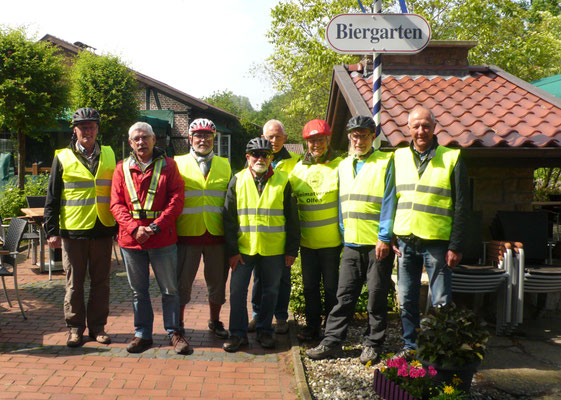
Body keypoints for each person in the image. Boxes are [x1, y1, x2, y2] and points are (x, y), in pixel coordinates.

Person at [306, 115, 396, 365]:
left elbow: (390, 201)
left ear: (373, 137)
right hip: (350, 244)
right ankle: (332, 341)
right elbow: (339, 202)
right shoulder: (343, 165)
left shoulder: (385, 162)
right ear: (349, 137)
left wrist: (385, 237)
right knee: (343, 296)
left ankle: (373, 344)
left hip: (377, 244)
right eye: (355, 135)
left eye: (365, 135)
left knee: (376, 297)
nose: (359, 140)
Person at [392, 106, 469, 358]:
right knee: (406, 298)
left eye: (426, 125)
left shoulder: (451, 157)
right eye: (416, 126)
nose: (421, 131)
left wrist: (456, 244)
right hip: (405, 240)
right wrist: (388, 235)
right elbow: (390, 199)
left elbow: (462, 205)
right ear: (408, 128)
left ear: (435, 127)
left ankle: (440, 349)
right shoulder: (398, 157)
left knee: (441, 300)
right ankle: (410, 347)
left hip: (437, 242)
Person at [110, 121, 189, 354]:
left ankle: (175, 333)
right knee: (138, 291)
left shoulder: (169, 166)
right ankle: (142, 335)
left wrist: (154, 227)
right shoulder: (121, 168)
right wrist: (135, 229)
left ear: (155, 140)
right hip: (131, 240)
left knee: (170, 289)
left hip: (162, 237)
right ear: (130, 143)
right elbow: (115, 204)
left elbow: (176, 200)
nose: (141, 142)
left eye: (145, 137)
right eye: (137, 139)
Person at [44, 107, 116, 348]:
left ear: (97, 129)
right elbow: (53, 196)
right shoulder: (62, 156)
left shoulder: (109, 153)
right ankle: (75, 328)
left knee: (101, 282)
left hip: (103, 227)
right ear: (75, 130)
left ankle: (98, 327)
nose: (88, 131)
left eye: (92, 126)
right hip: (74, 230)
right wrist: (51, 230)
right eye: (83, 127)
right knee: (74, 283)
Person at [222, 137, 300, 352]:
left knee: (270, 292)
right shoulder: (237, 180)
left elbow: (293, 219)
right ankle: (237, 335)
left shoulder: (283, 181)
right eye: (255, 154)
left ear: (271, 158)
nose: (260, 158)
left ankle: (265, 332)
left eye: (265, 154)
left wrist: (291, 250)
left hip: (273, 249)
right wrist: (232, 251)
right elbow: (228, 220)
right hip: (244, 249)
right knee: (237, 292)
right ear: (248, 158)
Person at [175, 118, 231, 339]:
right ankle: (178, 323)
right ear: (190, 139)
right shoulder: (177, 163)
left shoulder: (225, 165)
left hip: (217, 234)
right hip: (187, 233)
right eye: (198, 135)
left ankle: (215, 321)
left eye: (208, 136)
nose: (203, 139)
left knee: (218, 282)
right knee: (182, 283)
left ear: (213, 139)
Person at [288, 119, 342, 341]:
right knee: (310, 287)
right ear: (306, 143)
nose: (316, 144)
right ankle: (311, 326)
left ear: (328, 140)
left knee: (332, 288)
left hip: (332, 243)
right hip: (307, 243)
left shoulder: (340, 166)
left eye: (320, 139)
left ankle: (332, 328)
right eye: (312, 141)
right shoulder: (297, 171)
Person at [249, 120, 301, 335]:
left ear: (285, 138)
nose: (274, 141)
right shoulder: (255, 159)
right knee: (259, 277)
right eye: (270, 137)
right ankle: (257, 315)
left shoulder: (297, 161)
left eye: (278, 137)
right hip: (258, 233)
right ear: (263, 136)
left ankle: (281, 317)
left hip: (282, 230)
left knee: (283, 277)